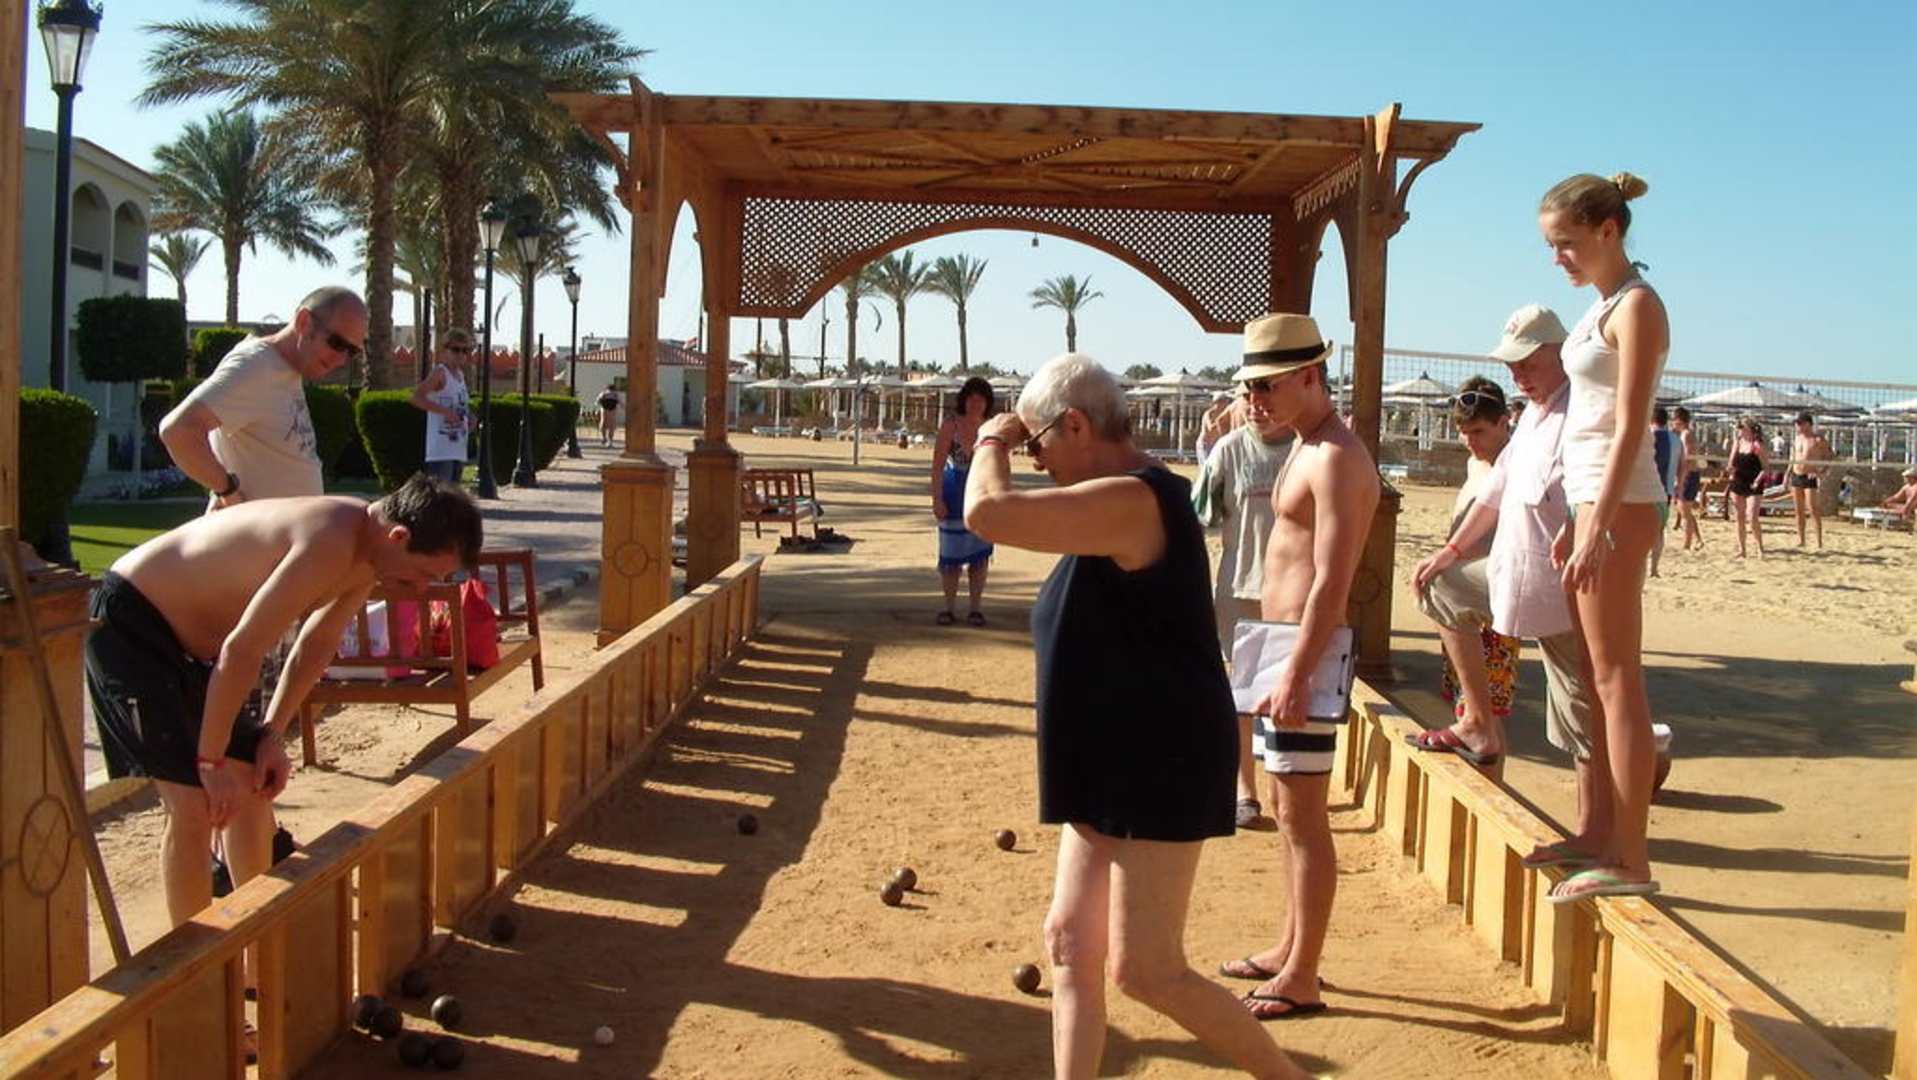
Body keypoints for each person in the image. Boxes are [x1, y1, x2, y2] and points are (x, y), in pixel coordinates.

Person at [963, 354, 1309, 1080]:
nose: (1033, 459)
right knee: (1069, 943)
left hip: (1159, 759)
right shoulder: (1106, 498)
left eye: (1037, 444)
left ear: (1076, 426)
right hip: (1105, 757)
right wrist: (1015, 434)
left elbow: (987, 514)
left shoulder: (1135, 499)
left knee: (1148, 971)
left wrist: (991, 437)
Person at [84, 475, 480, 935]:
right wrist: (209, 761)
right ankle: (195, 961)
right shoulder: (331, 539)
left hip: (196, 650)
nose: (422, 589)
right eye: (425, 574)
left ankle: (255, 940)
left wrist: (270, 735)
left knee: (253, 781)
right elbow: (243, 649)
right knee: (194, 805)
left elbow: (317, 643)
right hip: (132, 624)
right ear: (399, 536)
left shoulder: (369, 556)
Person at [1218, 313, 1377, 1020]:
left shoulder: (1336, 456)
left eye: (1268, 386)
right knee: (1286, 811)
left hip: (1303, 653)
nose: (1255, 400)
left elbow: (1333, 581)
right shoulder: (1307, 445)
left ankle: (1303, 972)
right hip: (1281, 646)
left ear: (1311, 376)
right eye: (1250, 387)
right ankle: (1289, 949)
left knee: (1305, 818)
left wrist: (1295, 672)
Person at [1412, 304, 1604, 870]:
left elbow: (1609, 487)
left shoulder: (1584, 410)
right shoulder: (1534, 418)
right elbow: (1494, 495)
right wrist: (1450, 552)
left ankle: (1593, 834)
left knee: (1581, 712)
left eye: (1526, 363)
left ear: (1558, 354)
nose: (1518, 374)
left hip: (1568, 586)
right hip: (1514, 575)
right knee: (1440, 587)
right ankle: (1477, 722)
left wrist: (1581, 524)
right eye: (1512, 365)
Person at [1538, 171, 1669, 902]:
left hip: (1620, 503)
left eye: (1566, 243)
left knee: (1618, 680)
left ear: (1607, 230)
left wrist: (1596, 522)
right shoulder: (1602, 307)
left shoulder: (1638, 307)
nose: (1557, 257)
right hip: (1593, 500)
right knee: (1597, 676)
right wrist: (1575, 515)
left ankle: (1631, 858)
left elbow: (1628, 427)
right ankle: (1602, 837)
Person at [160, 286, 367, 508]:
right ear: (304, 322)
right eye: (337, 344)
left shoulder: (285, 368)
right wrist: (228, 491)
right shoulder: (256, 366)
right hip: (253, 529)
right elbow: (178, 431)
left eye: (352, 352)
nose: (341, 360)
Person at [1192, 387, 1293, 828]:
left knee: (1291, 691)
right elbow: (1200, 517)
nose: (1255, 405)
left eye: (1265, 394)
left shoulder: (1311, 449)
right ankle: (1243, 789)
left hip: (1295, 595)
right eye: (1246, 396)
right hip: (1241, 588)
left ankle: (1287, 787)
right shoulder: (1228, 451)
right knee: (1242, 692)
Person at [1408, 374, 1517, 765]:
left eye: (1479, 431)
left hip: (1490, 603)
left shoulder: (1514, 462)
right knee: (1466, 703)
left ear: (1504, 422)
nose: (1470, 440)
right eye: (1464, 432)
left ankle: (1493, 784)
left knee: (1488, 712)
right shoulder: (1476, 462)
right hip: (1463, 600)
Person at [931, 376, 996, 626]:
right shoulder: (951, 425)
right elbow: (937, 466)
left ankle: (975, 609)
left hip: (982, 495)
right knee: (950, 556)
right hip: (953, 493)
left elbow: (999, 465)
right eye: (971, 398)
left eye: (981, 399)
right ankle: (948, 608)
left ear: (987, 402)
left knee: (979, 555)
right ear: (964, 400)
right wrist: (936, 498)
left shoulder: (991, 428)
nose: (975, 403)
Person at [410, 327, 475, 484]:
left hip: (458, 447)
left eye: (465, 350)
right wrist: (445, 412)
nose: (461, 354)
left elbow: (460, 405)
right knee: (441, 495)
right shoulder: (440, 373)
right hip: (440, 451)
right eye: (456, 349)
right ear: (445, 350)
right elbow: (416, 398)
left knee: (454, 495)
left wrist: (470, 417)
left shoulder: (460, 376)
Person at [1726, 416, 1768, 559]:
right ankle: (1742, 549)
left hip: (1754, 483)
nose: (1739, 430)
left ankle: (1760, 548)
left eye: (1742, 427)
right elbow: (1731, 463)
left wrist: (1757, 481)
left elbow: (1766, 468)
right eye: (1739, 427)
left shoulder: (1757, 445)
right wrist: (1730, 470)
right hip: (1738, 482)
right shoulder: (1737, 443)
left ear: (1749, 429)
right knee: (1739, 517)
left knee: (1752, 516)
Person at [1789, 411, 1831, 548]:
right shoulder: (1797, 438)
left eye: (1799, 423)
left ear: (1807, 424)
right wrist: (1787, 474)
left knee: (1813, 509)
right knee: (1798, 511)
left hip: (1809, 476)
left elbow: (1830, 457)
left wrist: (1821, 472)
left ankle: (1819, 542)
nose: (1797, 426)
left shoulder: (1818, 440)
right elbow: (1793, 458)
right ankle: (1801, 540)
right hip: (1796, 474)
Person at [1648, 406, 1682, 576]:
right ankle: (1654, 568)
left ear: (1651, 419)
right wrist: (1679, 485)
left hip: (1645, 489)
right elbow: (1683, 466)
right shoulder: (1676, 440)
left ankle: (1640, 565)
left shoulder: (1647, 436)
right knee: (1659, 531)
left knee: (1639, 529)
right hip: (1665, 491)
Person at [1671, 406, 1705, 550]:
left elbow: (1687, 460)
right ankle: (1697, 540)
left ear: (1679, 420)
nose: (1672, 422)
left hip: (1689, 475)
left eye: (1673, 419)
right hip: (1689, 474)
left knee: (1684, 511)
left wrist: (1680, 479)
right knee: (1684, 510)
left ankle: (1687, 544)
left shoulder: (1686, 435)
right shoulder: (1685, 434)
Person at [1196, 389, 1238, 463]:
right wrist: (1220, 421)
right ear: (1216, 402)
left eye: (1226, 401)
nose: (1225, 403)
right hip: (1205, 444)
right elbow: (1211, 428)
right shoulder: (1209, 413)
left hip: (1215, 444)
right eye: (1223, 401)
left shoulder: (1224, 414)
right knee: (1206, 465)